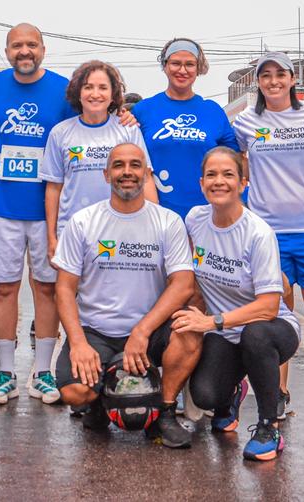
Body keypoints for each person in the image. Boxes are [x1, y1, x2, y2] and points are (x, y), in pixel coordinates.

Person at [53, 143, 202, 449]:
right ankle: (99, 404)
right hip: (97, 331)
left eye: (135, 165)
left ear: (146, 174)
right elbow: (64, 288)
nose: (127, 173)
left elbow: (184, 284)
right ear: (106, 174)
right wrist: (78, 343)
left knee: (189, 334)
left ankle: (165, 412)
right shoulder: (82, 222)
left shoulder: (168, 221)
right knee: (74, 393)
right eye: (118, 166)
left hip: (151, 329)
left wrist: (143, 330)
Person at [231, 50, 304, 424]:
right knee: (276, 313)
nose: (274, 81)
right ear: (258, 82)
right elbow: (237, 165)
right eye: (266, 75)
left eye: (281, 74)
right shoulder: (247, 122)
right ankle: (277, 391)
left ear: (293, 79)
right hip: (268, 234)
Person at [175, 147, 301, 461]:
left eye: (228, 174)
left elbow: (270, 306)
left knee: (255, 336)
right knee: (206, 396)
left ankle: (268, 427)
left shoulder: (258, 233)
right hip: (225, 333)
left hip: (272, 329)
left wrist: (211, 322)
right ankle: (230, 394)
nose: (219, 182)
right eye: (212, 175)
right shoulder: (195, 219)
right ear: (201, 183)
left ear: (243, 183)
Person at [0, 23, 75, 406]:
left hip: (49, 209)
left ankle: (44, 372)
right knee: (5, 288)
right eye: (17, 45)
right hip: (3, 206)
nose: (25, 51)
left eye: (31, 44)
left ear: (43, 50)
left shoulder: (65, 90)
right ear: (7, 50)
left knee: (47, 287)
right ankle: (5, 373)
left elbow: (90, 122)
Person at [43, 60, 154, 262]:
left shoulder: (128, 129)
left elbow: (145, 178)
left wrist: (155, 226)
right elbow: (54, 187)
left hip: (121, 230)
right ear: (78, 92)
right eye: (88, 87)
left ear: (113, 95)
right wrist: (51, 237)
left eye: (103, 87)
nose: (95, 94)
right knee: (69, 291)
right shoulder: (60, 133)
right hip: (72, 231)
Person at [131, 38, 239, 220]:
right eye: (175, 63)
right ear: (165, 66)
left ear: (198, 69)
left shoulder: (212, 111)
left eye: (189, 64)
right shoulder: (144, 109)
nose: (182, 70)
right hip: (156, 215)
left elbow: (235, 161)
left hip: (206, 215)